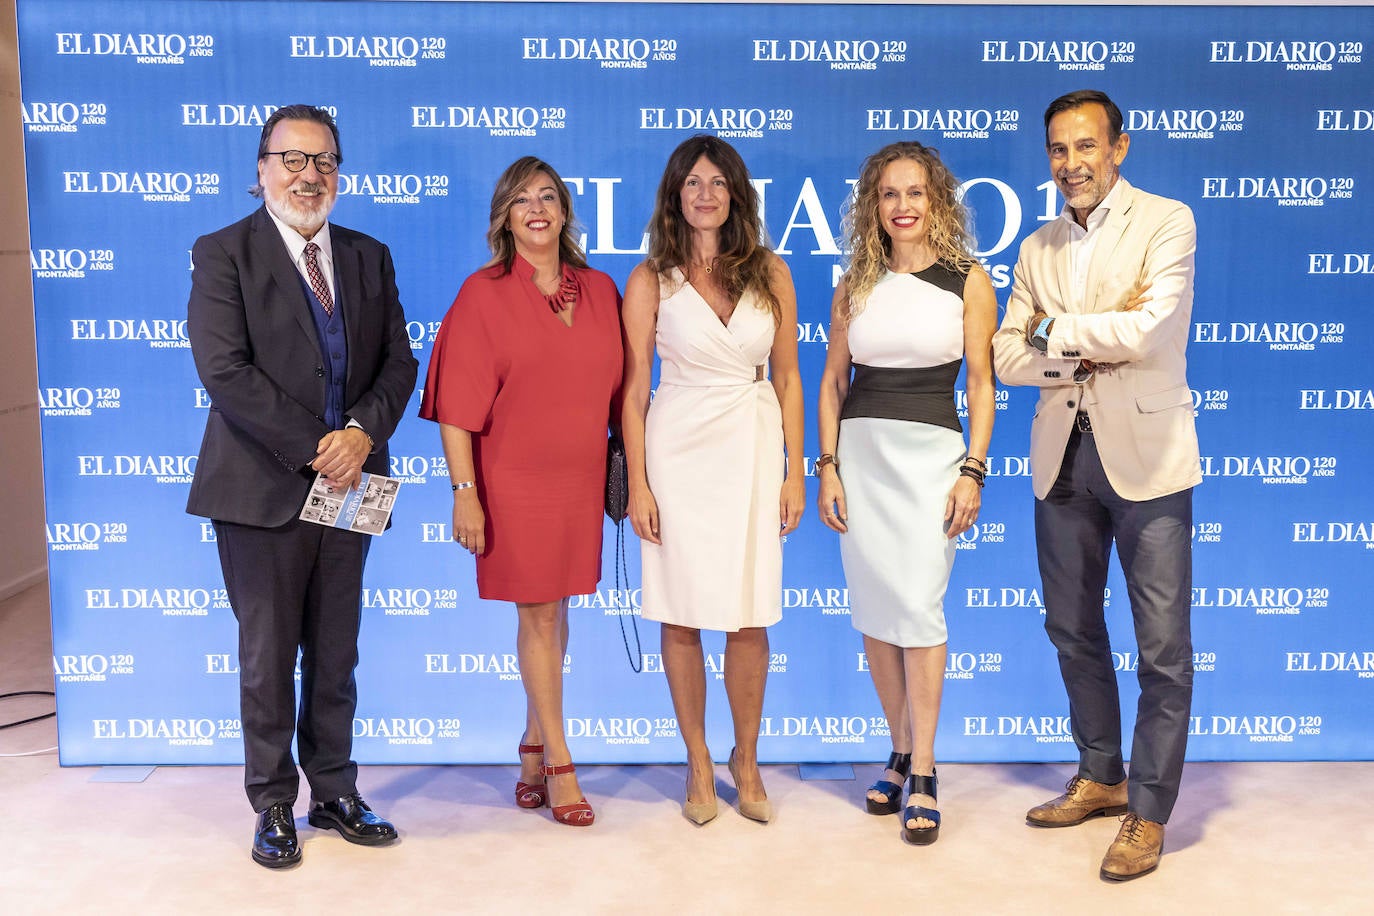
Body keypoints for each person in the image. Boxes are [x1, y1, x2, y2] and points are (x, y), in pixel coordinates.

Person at [187, 104, 418, 868]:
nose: (307, 175)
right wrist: (321, 448)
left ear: (339, 173)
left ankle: (336, 790)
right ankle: (273, 803)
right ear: (261, 171)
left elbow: (398, 363)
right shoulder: (223, 253)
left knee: (336, 649)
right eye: (291, 160)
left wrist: (361, 434)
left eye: (322, 161)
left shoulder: (368, 255)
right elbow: (225, 372)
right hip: (261, 490)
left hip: (352, 486)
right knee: (266, 656)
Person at [992, 89, 1200, 881]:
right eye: (1057, 150)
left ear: (1119, 146)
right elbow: (1010, 357)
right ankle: (1102, 773)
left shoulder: (1167, 220)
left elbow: (1148, 329)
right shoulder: (1038, 246)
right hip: (1062, 457)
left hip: (1148, 460)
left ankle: (1146, 814)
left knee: (1163, 652)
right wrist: (1080, 346)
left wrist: (1057, 331)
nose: (1070, 164)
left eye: (1085, 147)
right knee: (1073, 631)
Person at [420, 157, 622, 827]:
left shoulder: (601, 290)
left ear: (564, 210)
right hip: (510, 481)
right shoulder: (483, 293)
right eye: (521, 200)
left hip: (579, 481)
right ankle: (560, 762)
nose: (537, 208)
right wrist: (464, 492)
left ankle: (532, 743)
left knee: (556, 613)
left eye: (548, 196)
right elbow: (455, 409)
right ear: (504, 218)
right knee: (538, 613)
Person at [816, 142, 997, 846]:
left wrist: (972, 469)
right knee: (876, 609)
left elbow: (981, 385)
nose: (902, 206)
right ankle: (897, 747)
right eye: (889, 194)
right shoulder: (853, 284)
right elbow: (833, 383)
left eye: (915, 193)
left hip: (931, 463)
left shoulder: (968, 282)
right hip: (861, 461)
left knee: (919, 606)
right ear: (873, 205)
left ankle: (924, 767)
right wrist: (826, 465)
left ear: (938, 200)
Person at [621, 135, 804, 826]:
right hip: (678, 446)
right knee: (681, 608)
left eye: (717, 182)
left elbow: (789, 377)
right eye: (692, 182)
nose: (705, 193)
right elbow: (635, 388)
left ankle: (746, 757)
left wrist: (796, 471)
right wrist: (638, 483)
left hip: (753, 444)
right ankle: (698, 759)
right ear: (675, 194)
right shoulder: (650, 280)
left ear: (736, 193)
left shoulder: (772, 272)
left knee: (750, 609)